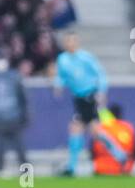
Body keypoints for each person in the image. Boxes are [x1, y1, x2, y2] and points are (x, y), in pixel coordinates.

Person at [52, 32, 128, 176]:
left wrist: (102, 92)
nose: (70, 44)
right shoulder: (62, 59)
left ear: (77, 42)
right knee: (94, 131)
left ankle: (72, 167)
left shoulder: (86, 58)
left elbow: (100, 74)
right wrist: (58, 85)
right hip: (78, 98)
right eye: (68, 41)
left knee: (77, 128)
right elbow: (62, 76)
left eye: (73, 41)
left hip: (89, 96)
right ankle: (120, 155)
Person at [0, 58, 30, 176]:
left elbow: (22, 97)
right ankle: (0, 170)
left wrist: (25, 114)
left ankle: (26, 172)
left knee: (19, 147)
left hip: (14, 116)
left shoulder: (14, 76)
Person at [92, 102, 135, 175]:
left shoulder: (102, 128)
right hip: (123, 170)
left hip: (101, 169)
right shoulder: (128, 128)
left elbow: (92, 149)